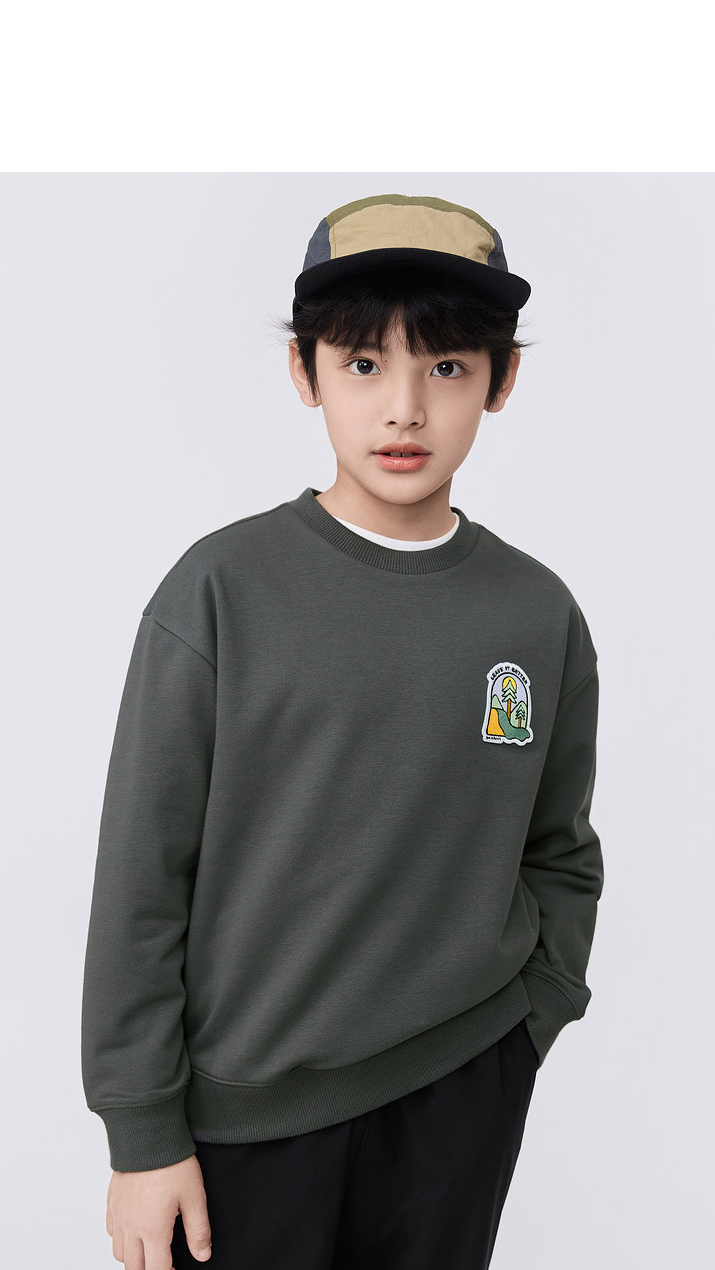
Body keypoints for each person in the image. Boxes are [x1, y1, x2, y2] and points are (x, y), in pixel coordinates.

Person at [81, 192, 604, 1270]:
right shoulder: (221, 591)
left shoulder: (535, 616)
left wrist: (529, 1022)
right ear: (304, 371)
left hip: (459, 1089)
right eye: (364, 364)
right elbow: (142, 875)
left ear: (502, 379)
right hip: (243, 1118)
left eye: (446, 366)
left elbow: (558, 849)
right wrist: (142, 1130)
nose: (404, 409)